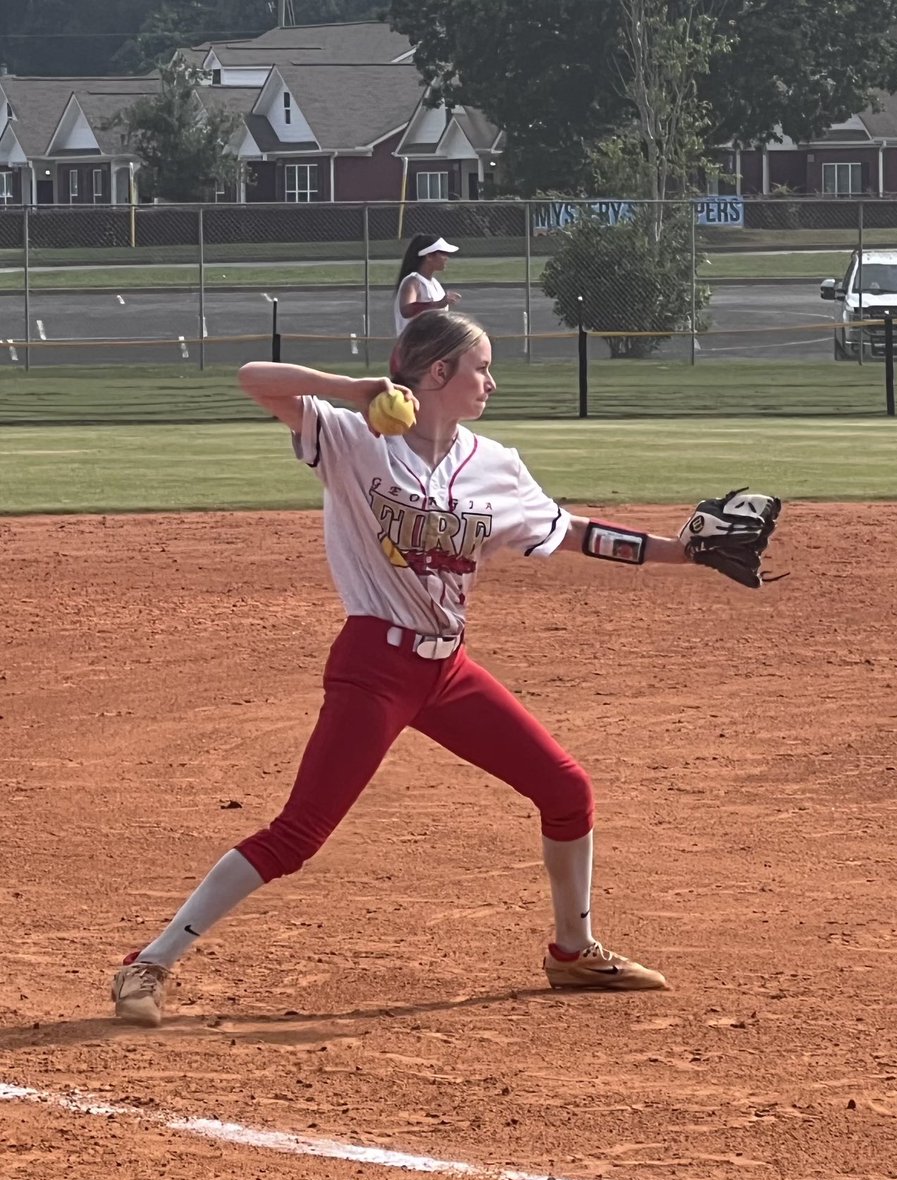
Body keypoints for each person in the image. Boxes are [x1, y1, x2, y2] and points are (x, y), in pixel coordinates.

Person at [112, 311, 694, 1028]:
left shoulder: (494, 464)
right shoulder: (356, 441)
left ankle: (571, 953)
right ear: (438, 373)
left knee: (566, 788)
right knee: (298, 834)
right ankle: (149, 963)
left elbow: (570, 532)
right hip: (372, 666)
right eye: (480, 366)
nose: (491, 380)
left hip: (447, 671)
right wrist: (353, 388)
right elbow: (253, 380)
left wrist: (681, 552)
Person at [393, 235, 463, 336]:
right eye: (443, 253)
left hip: (431, 345)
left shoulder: (435, 284)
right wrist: (437, 304)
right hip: (414, 346)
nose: (447, 258)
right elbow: (406, 310)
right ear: (429, 256)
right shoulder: (412, 282)